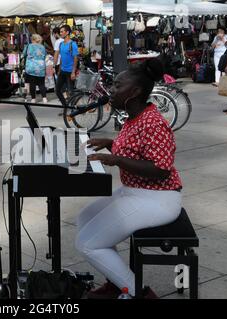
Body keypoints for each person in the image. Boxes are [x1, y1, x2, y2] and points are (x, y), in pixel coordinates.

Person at [75, 58, 182, 299]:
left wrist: (118, 160)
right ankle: (116, 282)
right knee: (85, 218)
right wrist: (112, 145)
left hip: (158, 199)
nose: (111, 91)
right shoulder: (134, 116)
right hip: (135, 191)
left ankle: (139, 293)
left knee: (88, 243)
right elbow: (136, 150)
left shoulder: (153, 123)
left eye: (117, 86)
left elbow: (161, 169)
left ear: (134, 92)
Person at [54, 25, 78, 108]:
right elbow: (61, 58)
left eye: (62, 31)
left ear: (67, 32)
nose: (60, 33)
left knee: (71, 92)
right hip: (62, 71)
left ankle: (73, 109)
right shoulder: (61, 44)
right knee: (57, 90)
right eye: (60, 32)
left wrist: (73, 72)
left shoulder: (72, 44)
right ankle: (66, 107)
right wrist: (59, 69)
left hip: (70, 71)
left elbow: (75, 59)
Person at [23, 34, 48, 103]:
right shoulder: (42, 47)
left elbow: (24, 54)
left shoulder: (28, 46)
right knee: (41, 83)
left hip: (31, 67)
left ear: (32, 39)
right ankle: (44, 98)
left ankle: (33, 99)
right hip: (40, 67)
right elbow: (45, 56)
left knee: (32, 83)